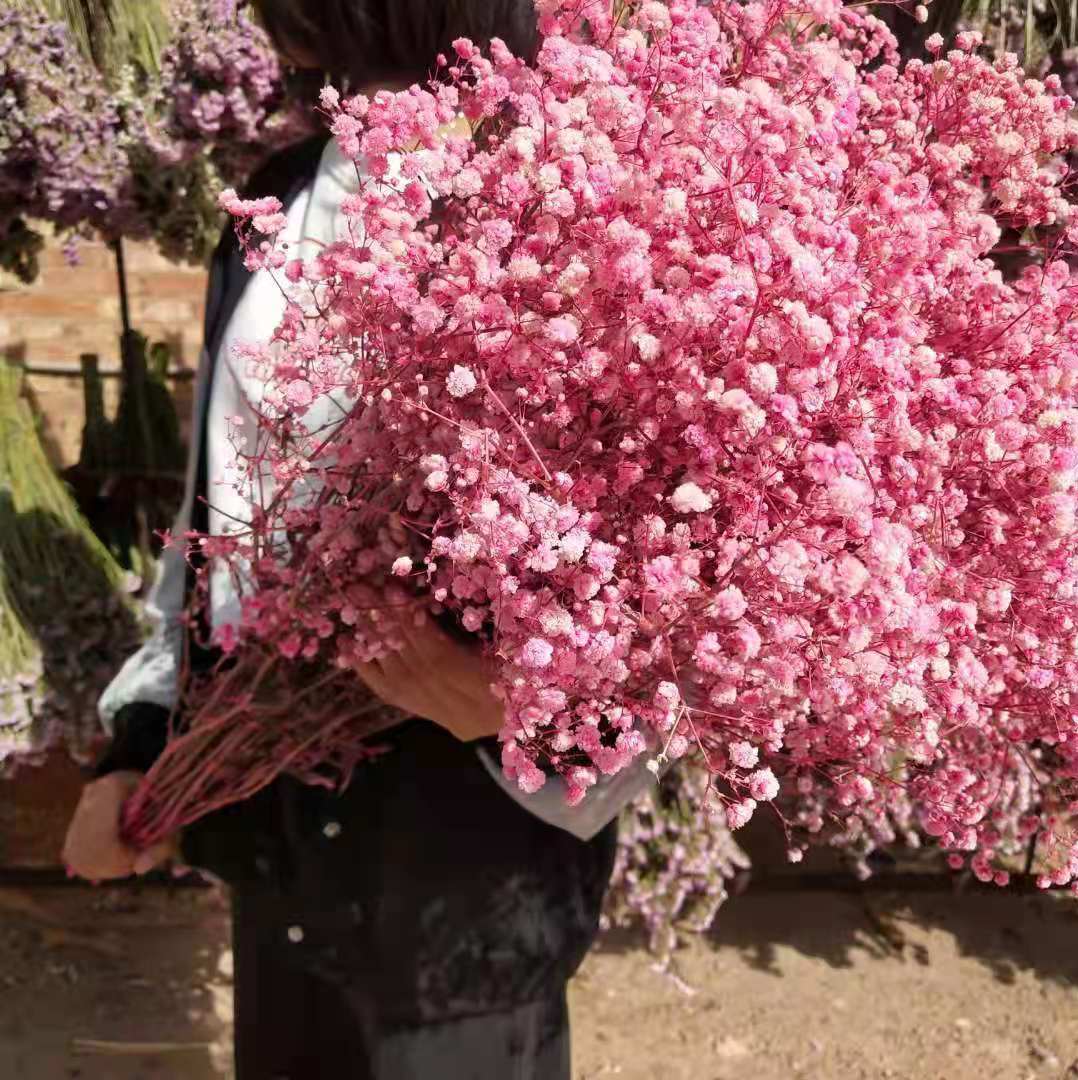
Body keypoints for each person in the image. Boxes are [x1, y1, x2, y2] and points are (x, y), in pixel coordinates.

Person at [63, 3, 655, 1077]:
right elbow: (218, 510)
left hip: (459, 866)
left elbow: (675, 561)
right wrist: (141, 752)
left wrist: (528, 711)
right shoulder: (278, 195)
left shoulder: (565, 208)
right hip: (277, 826)